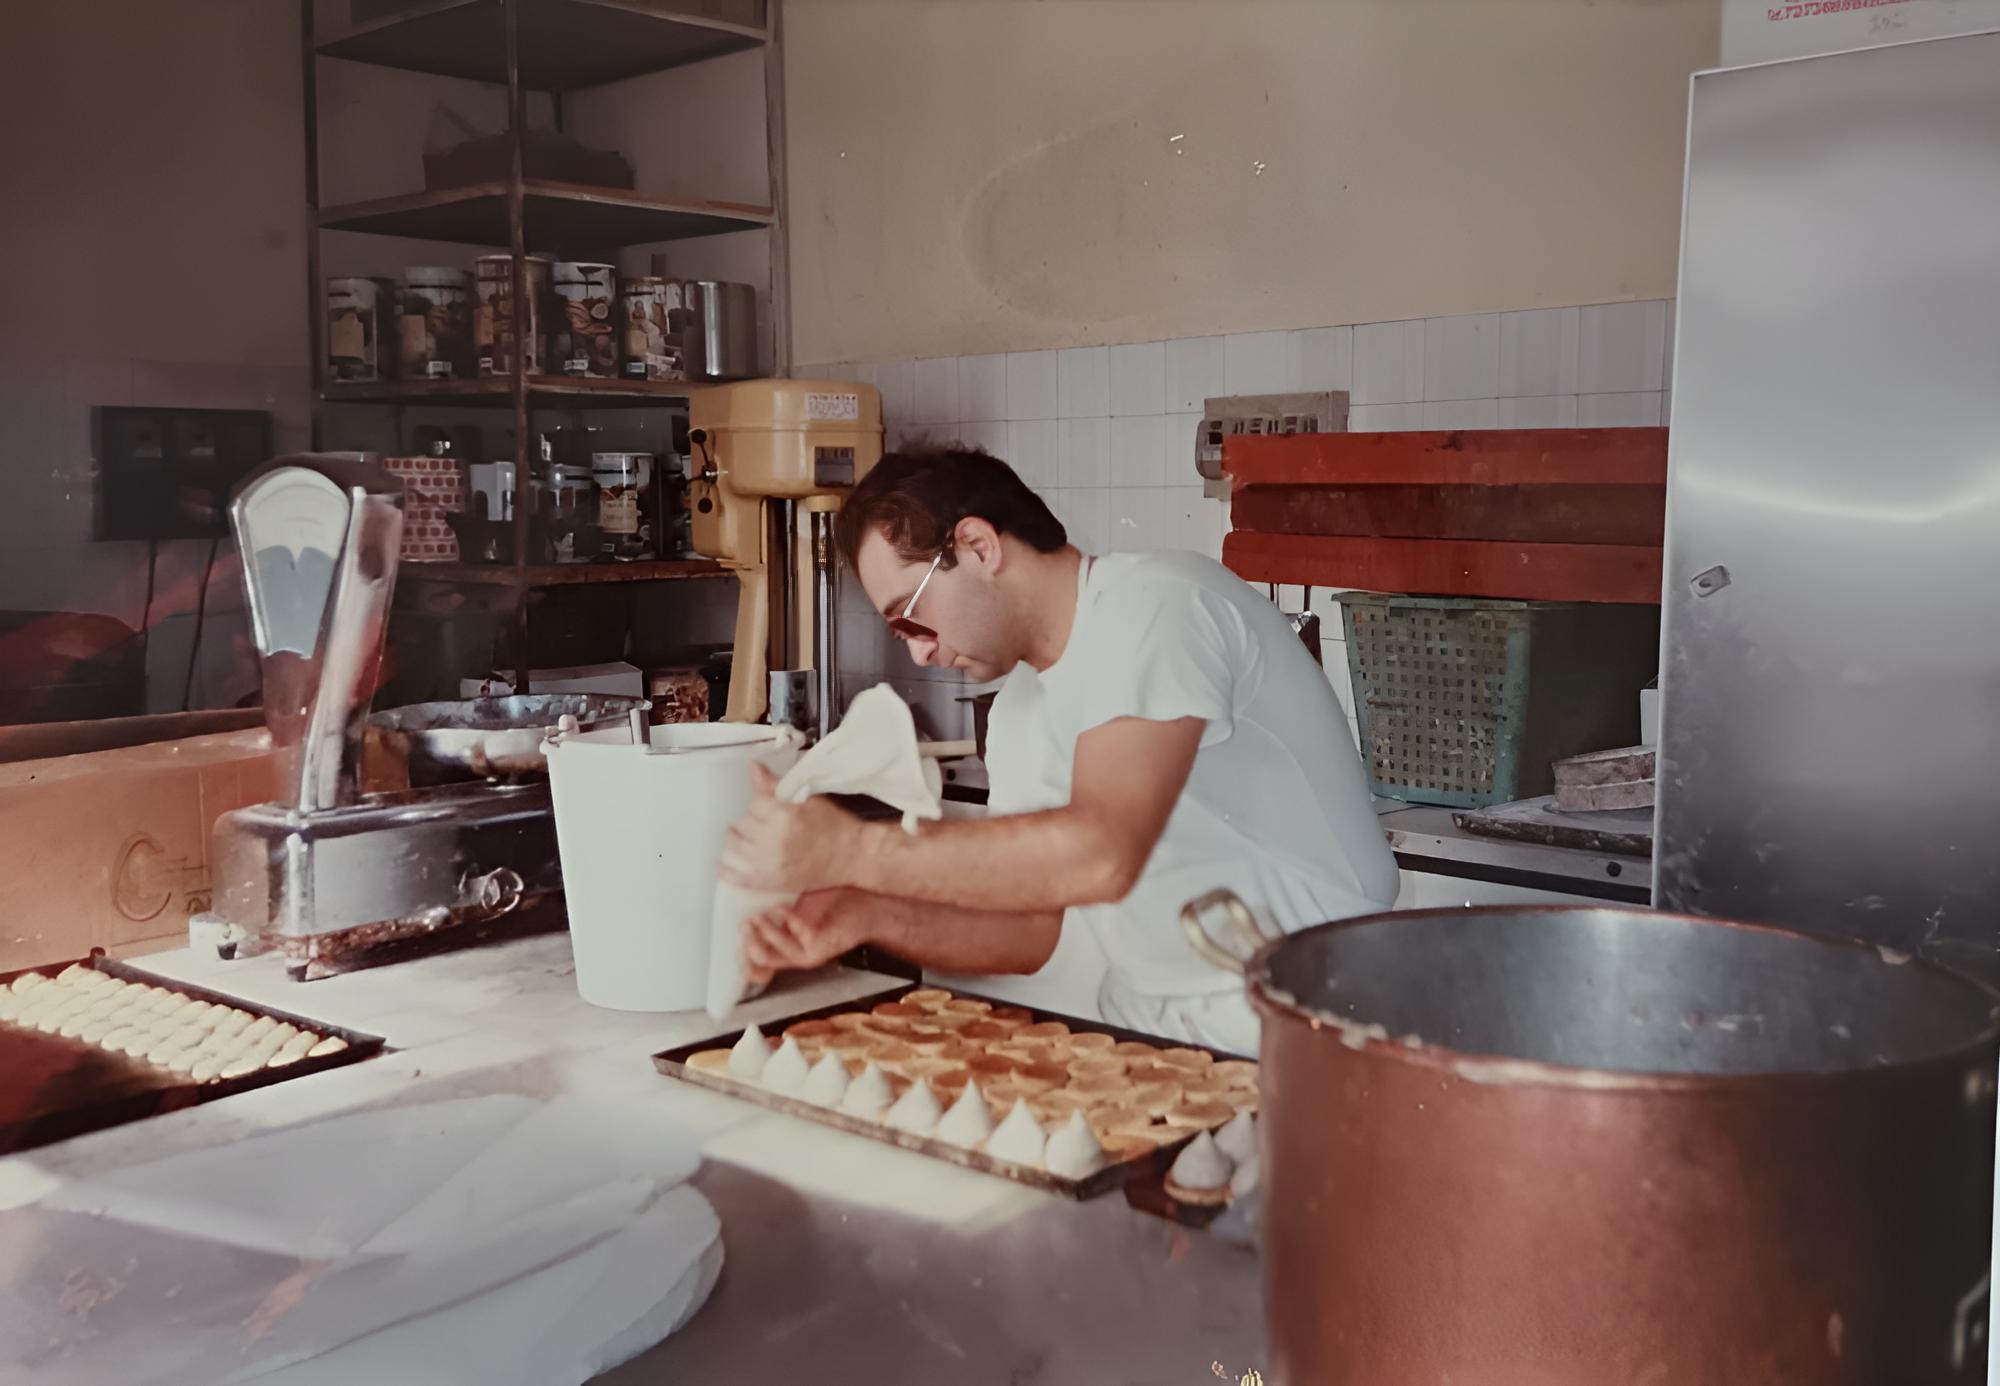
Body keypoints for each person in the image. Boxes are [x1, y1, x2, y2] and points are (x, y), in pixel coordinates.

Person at [720, 445, 1396, 1053]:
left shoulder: (1158, 607)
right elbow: (1029, 933)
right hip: (1156, 1031)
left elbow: (1102, 853)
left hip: (1315, 1022)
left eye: (908, 615)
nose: (920, 648)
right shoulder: (1019, 707)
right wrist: (863, 914)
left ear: (979, 546)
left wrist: (851, 852)